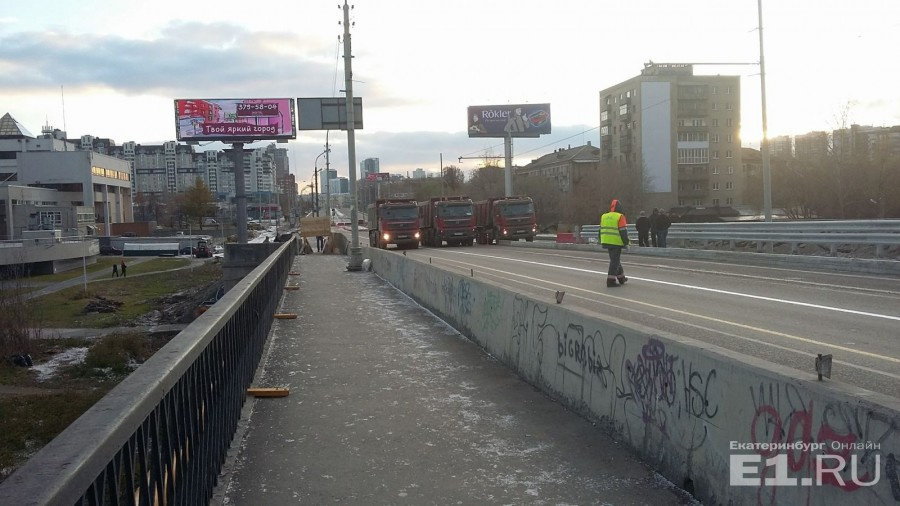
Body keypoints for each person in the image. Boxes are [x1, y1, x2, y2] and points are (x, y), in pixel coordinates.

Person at [600, 199, 629, 288]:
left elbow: (600, 229)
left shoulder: (604, 216)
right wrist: (626, 242)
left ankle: (621, 278)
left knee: (615, 260)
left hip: (606, 241)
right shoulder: (620, 216)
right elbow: (623, 231)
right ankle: (611, 280)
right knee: (615, 261)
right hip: (616, 242)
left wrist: (600, 240)